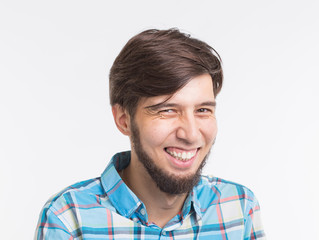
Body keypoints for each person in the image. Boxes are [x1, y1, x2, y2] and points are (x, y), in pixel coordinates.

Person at [35, 28, 266, 239]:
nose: (191, 133)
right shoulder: (68, 218)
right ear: (124, 120)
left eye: (203, 110)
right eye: (167, 110)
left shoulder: (239, 208)